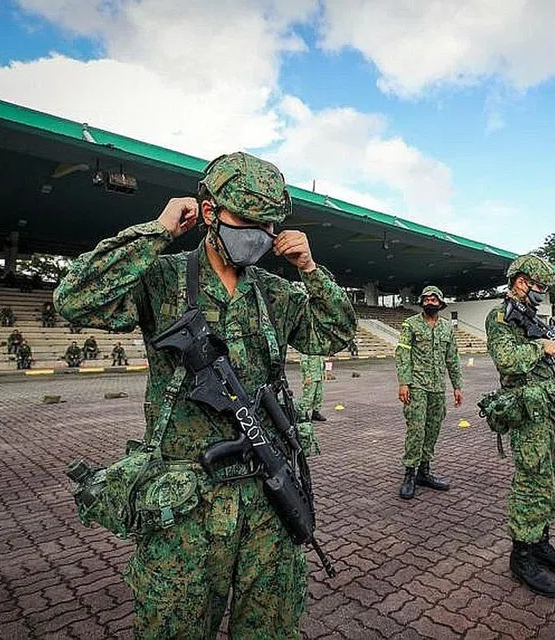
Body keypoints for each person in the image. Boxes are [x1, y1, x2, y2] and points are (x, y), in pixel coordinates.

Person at [54, 150, 356, 639]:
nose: (258, 234)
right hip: (185, 505)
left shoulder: (276, 293)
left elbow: (336, 334)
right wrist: (158, 231)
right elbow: (74, 298)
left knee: (269, 629)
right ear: (209, 211)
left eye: (268, 225)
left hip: (267, 496)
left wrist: (311, 269)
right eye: (246, 220)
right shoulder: (162, 277)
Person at [485, 254, 555, 597]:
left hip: (553, 408)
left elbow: (546, 363)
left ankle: (540, 540)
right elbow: (507, 360)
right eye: (538, 286)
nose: (541, 293)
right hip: (529, 412)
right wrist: (542, 347)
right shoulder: (499, 317)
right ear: (520, 281)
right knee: (533, 479)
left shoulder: (534, 318)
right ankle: (521, 554)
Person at [395, 285, 463, 499]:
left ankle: (424, 472)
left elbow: (452, 359)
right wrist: (404, 382)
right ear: (421, 302)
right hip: (416, 386)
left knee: (432, 429)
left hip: (437, 388)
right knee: (416, 429)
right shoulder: (410, 324)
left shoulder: (446, 329)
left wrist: (457, 386)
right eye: (426, 298)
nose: (430, 301)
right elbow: (402, 354)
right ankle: (409, 474)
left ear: (441, 303)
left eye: (434, 299)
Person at [298, 354, 327, 421]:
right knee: (308, 396)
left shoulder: (318, 349)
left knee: (319, 396)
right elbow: (304, 362)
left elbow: (322, 362)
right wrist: (307, 375)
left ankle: (315, 413)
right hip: (311, 377)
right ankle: (304, 414)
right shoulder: (307, 348)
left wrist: (324, 372)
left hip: (319, 376)